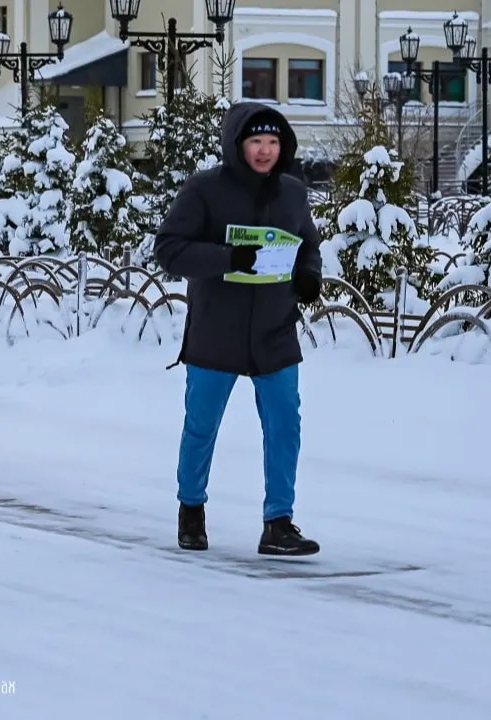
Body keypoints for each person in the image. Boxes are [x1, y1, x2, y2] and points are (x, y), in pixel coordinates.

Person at [154, 101, 324, 556]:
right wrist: (227, 258)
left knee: (286, 424)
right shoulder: (204, 190)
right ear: (237, 144)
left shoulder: (292, 193)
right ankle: (191, 510)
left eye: (273, 142)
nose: (265, 150)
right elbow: (169, 249)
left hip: (275, 329)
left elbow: (308, 243)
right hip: (217, 330)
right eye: (256, 141)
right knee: (202, 425)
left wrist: (309, 277)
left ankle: (279, 522)